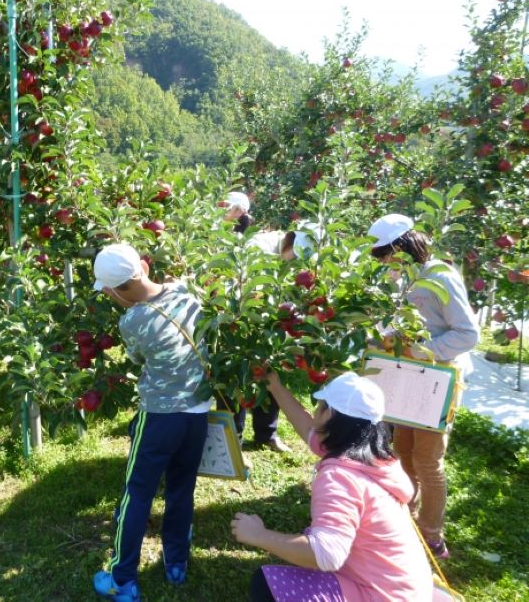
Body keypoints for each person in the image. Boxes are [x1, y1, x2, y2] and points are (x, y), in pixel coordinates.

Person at [232, 371, 434, 601]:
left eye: (320, 407)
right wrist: (275, 386)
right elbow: (309, 429)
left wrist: (260, 535)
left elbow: (326, 554)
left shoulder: (340, 478)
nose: (315, 412)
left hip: (379, 594)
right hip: (407, 590)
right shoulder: (373, 459)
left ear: (330, 415)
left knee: (267, 584)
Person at [91, 243, 212, 602]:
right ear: (144, 266)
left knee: (137, 494)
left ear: (112, 292)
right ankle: (176, 561)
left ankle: (122, 577)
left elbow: (138, 357)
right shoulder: (187, 291)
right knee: (181, 488)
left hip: (159, 417)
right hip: (198, 414)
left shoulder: (132, 321)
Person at [368, 213, 479, 559]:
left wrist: (422, 349)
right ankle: (405, 520)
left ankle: (432, 535)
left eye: (387, 253)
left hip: (437, 380)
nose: (385, 261)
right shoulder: (402, 278)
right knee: (402, 451)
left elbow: (468, 333)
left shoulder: (440, 278)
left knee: (428, 460)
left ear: (404, 247)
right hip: (409, 376)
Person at [219, 192, 311, 453]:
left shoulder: (298, 261)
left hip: (274, 322)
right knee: (239, 376)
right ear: (289, 241)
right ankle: (232, 438)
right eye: (295, 253)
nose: (296, 261)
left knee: (271, 371)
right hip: (244, 316)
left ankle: (266, 434)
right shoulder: (259, 246)